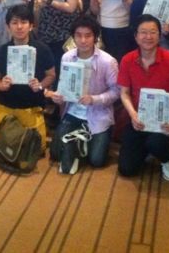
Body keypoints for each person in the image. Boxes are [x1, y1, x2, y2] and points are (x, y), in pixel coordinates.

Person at [117, 14, 169, 181]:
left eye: (153, 32)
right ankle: (148, 150)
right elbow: (124, 93)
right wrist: (133, 114)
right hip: (139, 119)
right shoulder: (127, 60)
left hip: (165, 121)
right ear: (136, 36)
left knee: (155, 143)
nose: (148, 37)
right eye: (143, 32)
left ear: (159, 35)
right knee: (127, 169)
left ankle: (167, 159)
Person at [0, 5, 56, 154]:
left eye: (24, 22)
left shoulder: (42, 49)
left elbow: (51, 75)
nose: (19, 27)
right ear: (8, 27)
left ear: (31, 25)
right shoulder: (1, 51)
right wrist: (2, 85)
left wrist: (40, 85)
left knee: (37, 149)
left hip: (31, 108)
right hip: (6, 107)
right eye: (14, 23)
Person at [48, 15, 119, 172]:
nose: (83, 40)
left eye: (88, 36)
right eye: (78, 35)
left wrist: (94, 99)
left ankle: (81, 143)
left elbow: (116, 91)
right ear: (73, 37)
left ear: (95, 37)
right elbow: (63, 86)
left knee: (97, 160)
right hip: (72, 113)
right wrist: (59, 97)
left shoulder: (107, 61)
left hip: (98, 114)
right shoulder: (67, 57)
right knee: (55, 154)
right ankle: (79, 142)